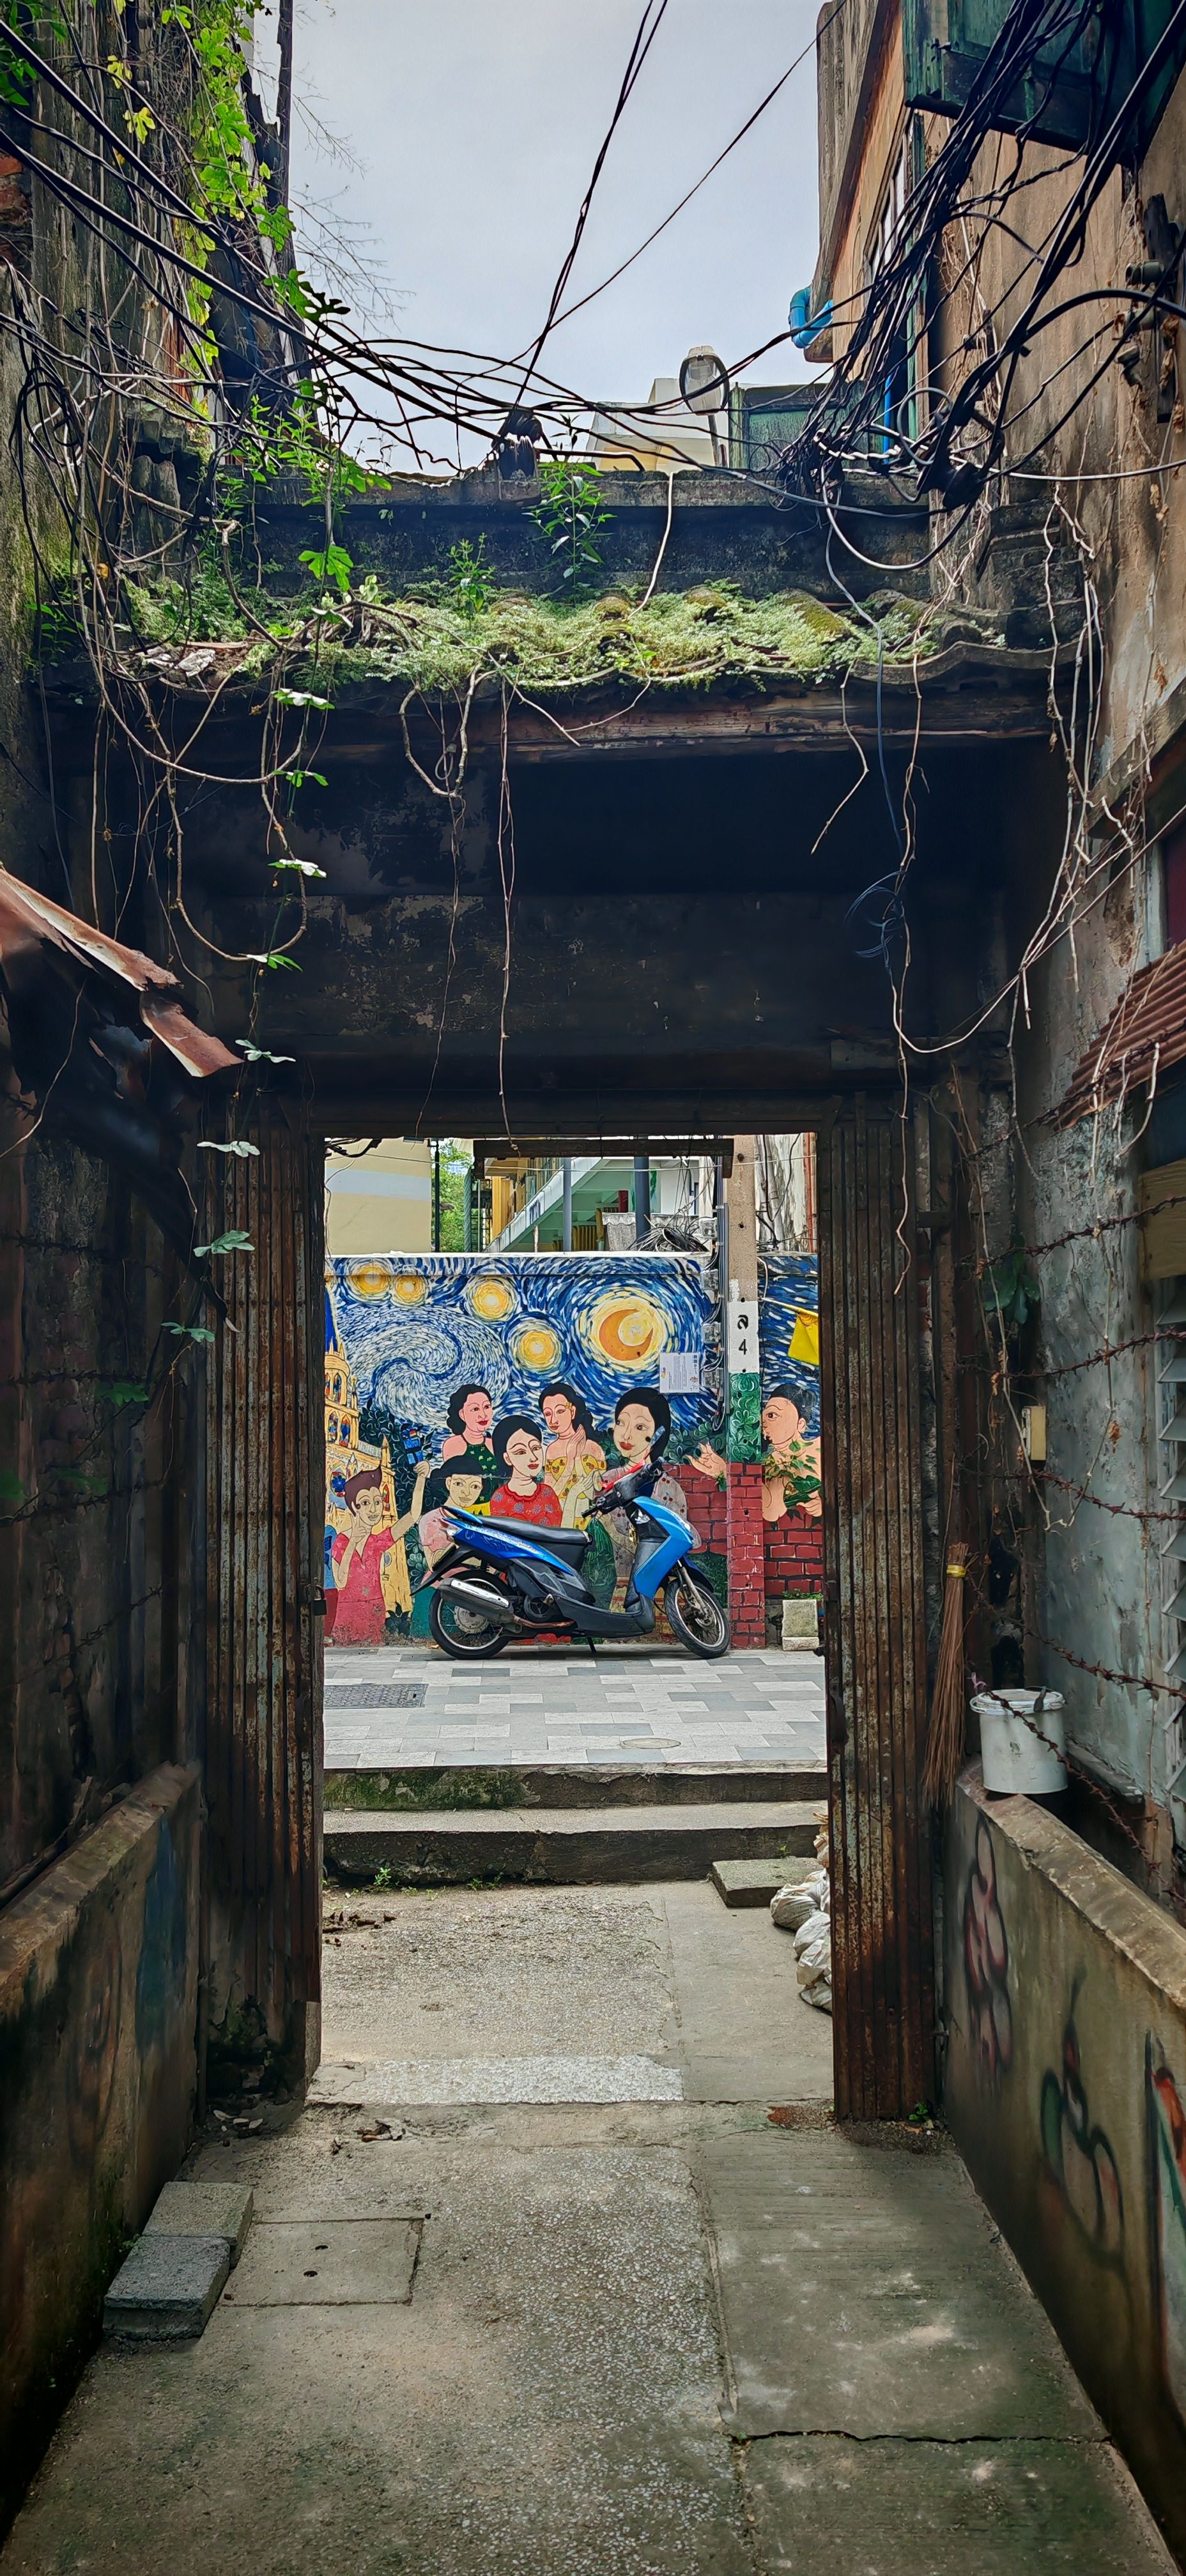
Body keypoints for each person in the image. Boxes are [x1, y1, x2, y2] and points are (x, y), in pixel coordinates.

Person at [330, 1460, 429, 1646]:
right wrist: (353, 1542)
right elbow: (340, 1582)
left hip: (374, 1610)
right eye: (366, 1503)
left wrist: (421, 1478)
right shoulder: (342, 1542)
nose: (374, 1509)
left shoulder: (377, 1542)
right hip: (348, 1613)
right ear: (355, 1507)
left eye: (378, 1502)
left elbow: (413, 1516)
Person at [541, 1381, 606, 1526]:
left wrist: (577, 1459)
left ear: (573, 1411)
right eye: (548, 1414)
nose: (553, 1420)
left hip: (589, 1519)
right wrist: (570, 1460)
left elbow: (599, 1492)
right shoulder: (551, 1450)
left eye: (560, 1411)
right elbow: (550, 1495)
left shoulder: (593, 1448)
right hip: (561, 1518)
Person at [759, 1384, 822, 1523]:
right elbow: (772, 1512)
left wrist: (824, 1503)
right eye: (763, 1416)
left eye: (772, 1415)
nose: (763, 1423)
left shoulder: (820, 1447)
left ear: (801, 1424)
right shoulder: (773, 1461)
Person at [487, 1415, 563, 1525]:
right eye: (521, 1452)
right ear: (507, 1458)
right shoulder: (500, 1497)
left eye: (536, 1448)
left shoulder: (548, 1493)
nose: (533, 1457)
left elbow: (557, 1530)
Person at [418, 1462, 489, 1567]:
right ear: (449, 1483)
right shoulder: (432, 1519)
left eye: (475, 1486)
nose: (467, 1493)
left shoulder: (472, 1520)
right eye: (459, 1484)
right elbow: (434, 1562)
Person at [439, 1383, 497, 1480]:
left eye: (487, 1407)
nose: (483, 1415)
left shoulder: (494, 1444)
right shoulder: (453, 1445)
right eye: (475, 1409)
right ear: (462, 1414)